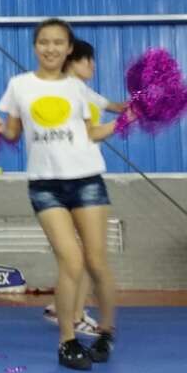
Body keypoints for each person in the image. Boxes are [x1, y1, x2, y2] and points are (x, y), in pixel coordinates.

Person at [0, 19, 119, 371]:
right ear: (35, 47)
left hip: (87, 180)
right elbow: (14, 133)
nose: (51, 48)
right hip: (45, 186)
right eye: (44, 42)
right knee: (71, 261)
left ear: (68, 48)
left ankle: (107, 331)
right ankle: (67, 341)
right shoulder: (19, 85)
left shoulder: (79, 89)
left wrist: (125, 120)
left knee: (96, 262)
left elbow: (91, 132)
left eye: (58, 42)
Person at [42, 39, 128, 337]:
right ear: (69, 61)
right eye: (85, 59)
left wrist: (138, 100)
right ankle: (75, 315)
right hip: (74, 179)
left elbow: (114, 106)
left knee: (81, 254)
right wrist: (124, 122)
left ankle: (61, 308)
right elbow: (90, 134)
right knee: (91, 255)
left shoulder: (84, 90)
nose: (92, 64)